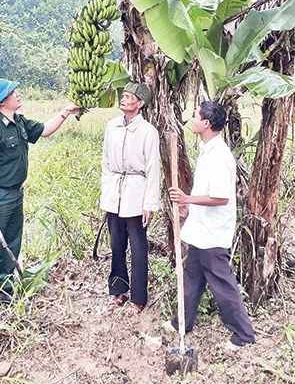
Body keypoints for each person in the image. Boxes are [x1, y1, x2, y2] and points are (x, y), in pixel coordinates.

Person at [0, 79, 80, 307]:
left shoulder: (19, 122)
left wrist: (65, 112)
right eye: (13, 92)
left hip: (14, 195)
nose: (18, 95)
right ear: (2, 101)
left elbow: (45, 131)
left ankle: (4, 288)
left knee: (11, 243)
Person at [166, 101, 255, 350]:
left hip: (213, 233)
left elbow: (220, 197)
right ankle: (181, 323)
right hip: (201, 230)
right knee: (192, 278)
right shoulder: (207, 151)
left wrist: (186, 199)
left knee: (222, 283)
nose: (192, 119)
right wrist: (188, 206)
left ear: (206, 123)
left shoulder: (220, 156)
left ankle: (243, 335)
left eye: (195, 116)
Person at [100, 81, 160, 312]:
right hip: (115, 190)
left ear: (140, 104)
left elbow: (153, 169)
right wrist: (106, 189)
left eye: (128, 96)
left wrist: (149, 204)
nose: (123, 99)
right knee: (116, 244)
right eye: (123, 95)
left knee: (138, 246)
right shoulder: (112, 126)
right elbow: (106, 161)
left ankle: (139, 297)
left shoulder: (148, 132)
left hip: (136, 191)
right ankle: (118, 290)